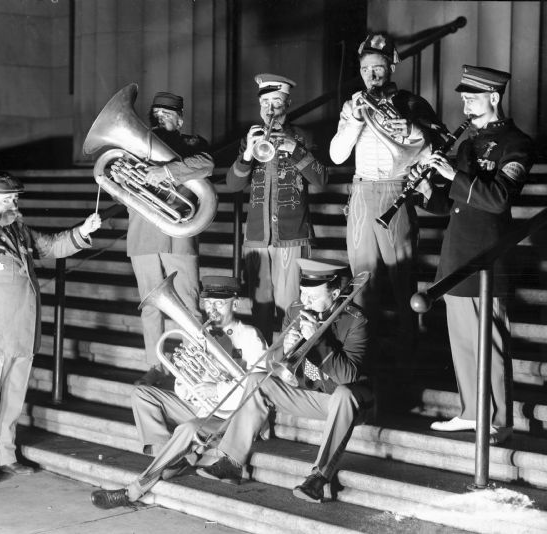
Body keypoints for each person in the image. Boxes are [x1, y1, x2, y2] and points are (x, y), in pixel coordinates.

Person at [409, 65, 535, 445]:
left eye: (472, 97)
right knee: (463, 341)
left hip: (486, 256)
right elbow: (451, 206)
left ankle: (498, 419)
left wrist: (454, 176)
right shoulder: (466, 143)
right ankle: (471, 411)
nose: (464, 102)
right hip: (457, 253)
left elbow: (498, 199)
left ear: (494, 98)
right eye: (463, 96)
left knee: (490, 342)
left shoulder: (517, 143)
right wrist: (424, 188)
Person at [0, 171, 101, 484]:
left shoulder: (21, 232)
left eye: (16, 198)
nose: (14, 202)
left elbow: (53, 246)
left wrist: (83, 231)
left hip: (21, 330)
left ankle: (6, 455)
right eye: (7, 198)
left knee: (12, 398)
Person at [195, 259, 374, 504]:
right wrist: (285, 351)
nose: (305, 301)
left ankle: (319, 478)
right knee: (257, 379)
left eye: (312, 295)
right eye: (303, 293)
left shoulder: (356, 320)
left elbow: (348, 376)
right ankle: (231, 462)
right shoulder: (296, 309)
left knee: (343, 393)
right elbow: (275, 365)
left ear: (334, 293)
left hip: (351, 401)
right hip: (312, 393)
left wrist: (319, 342)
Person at [90, 275, 267, 509]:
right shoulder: (201, 334)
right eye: (209, 303)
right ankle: (173, 460)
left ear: (235, 304)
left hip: (230, 417)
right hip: (201, 406)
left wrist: (216, 389)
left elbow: (258, 387)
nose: (213, 309)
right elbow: (182, 384)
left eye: (220, 303)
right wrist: (188, 386)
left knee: (187, 429)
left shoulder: (250, 336)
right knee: (142, 394)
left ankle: (133, 491)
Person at [329, 34, 445, 371]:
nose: (372, 76)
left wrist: (410, 128)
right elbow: (337, 155)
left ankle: (408, 353)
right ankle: (364, 356)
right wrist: (352, 118)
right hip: (363, 193)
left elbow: (434, 147)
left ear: (392, 67)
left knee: (402, 278)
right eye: (366, 69)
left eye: (378, 68)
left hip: (397, 190)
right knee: (360, 280)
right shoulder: (353, 105)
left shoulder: (411, 103)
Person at [226, 74, 327, 344]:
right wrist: (247, 154)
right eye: (265, 102)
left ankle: (286, 366)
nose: (270, 109)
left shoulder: (303, 136)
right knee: (259, 306)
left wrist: (295, 148)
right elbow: (233, 185)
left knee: (290, 307)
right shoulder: (251, 138)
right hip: (258, 237)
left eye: (277, 102)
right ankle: (261, 364)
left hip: (291, 235)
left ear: (288, 103)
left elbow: (321, 179)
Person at [128, 91, 215, 386]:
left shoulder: (192, 144)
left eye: (167, 114)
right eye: (155, 113)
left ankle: (195, 367)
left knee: (189, 304)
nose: (159, 118)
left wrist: (164, 172)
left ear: (180, 119)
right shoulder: (134, 147)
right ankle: (156, 366)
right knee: (150, 307)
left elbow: (206, 165)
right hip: (143, 236)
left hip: (179, 234)